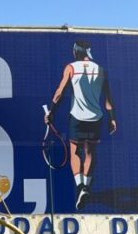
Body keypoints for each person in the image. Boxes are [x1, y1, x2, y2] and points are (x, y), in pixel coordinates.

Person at [45, 41, 116, 209]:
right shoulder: (101, 70)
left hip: (77, 117)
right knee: (90, 152)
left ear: (76, 51)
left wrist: (52, 112)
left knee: (75, 151)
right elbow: (108, 100)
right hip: (96, 118)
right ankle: (87, 186)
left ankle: (81, 187)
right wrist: (112, 118)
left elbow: (60, 93)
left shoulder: (71, 67)